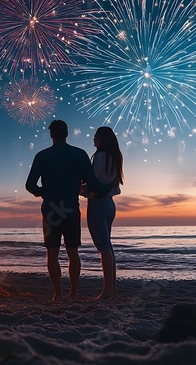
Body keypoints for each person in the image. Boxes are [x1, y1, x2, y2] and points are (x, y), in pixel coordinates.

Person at [26, 120, 112, 301]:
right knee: (73, 252)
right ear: (67, 134)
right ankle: (73, 294)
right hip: (71, 209)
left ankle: (57, 294)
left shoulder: (42, 156)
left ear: (51, 135)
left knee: (52, 253)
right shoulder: (80, 154)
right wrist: (108, 189)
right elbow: (94, 184)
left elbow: (30, 185)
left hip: (51, 210)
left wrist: (44, 192)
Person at [83, 126, 123, 299]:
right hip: (109, 204)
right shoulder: (115, 157)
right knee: (108, 246)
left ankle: (107, 291)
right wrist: (104, 191)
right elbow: (115, 186)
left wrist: (83, 190)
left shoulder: (99, 157)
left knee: (103, 248)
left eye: (95, 137)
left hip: (97, 205)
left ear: (101, 139)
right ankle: (112, 290)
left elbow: (93, 181)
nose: (93, 140)